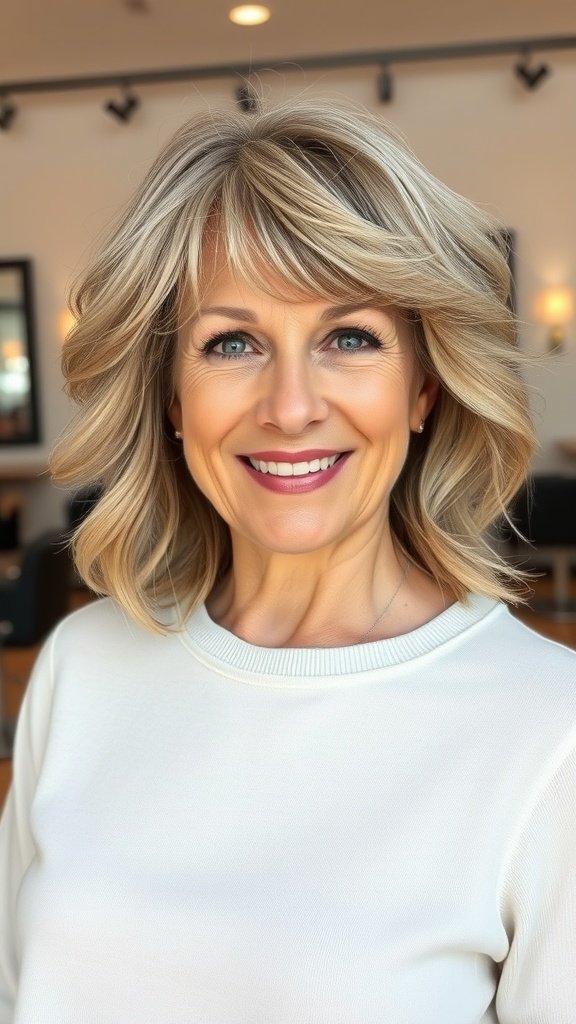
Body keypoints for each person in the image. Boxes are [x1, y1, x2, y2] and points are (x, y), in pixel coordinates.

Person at [0, 98, 574, 1024]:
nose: (291, 404)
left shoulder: (552, 733)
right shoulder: (84, 663)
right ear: (173, 398)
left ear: (422, 388)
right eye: (232, 343)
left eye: (350, 338)